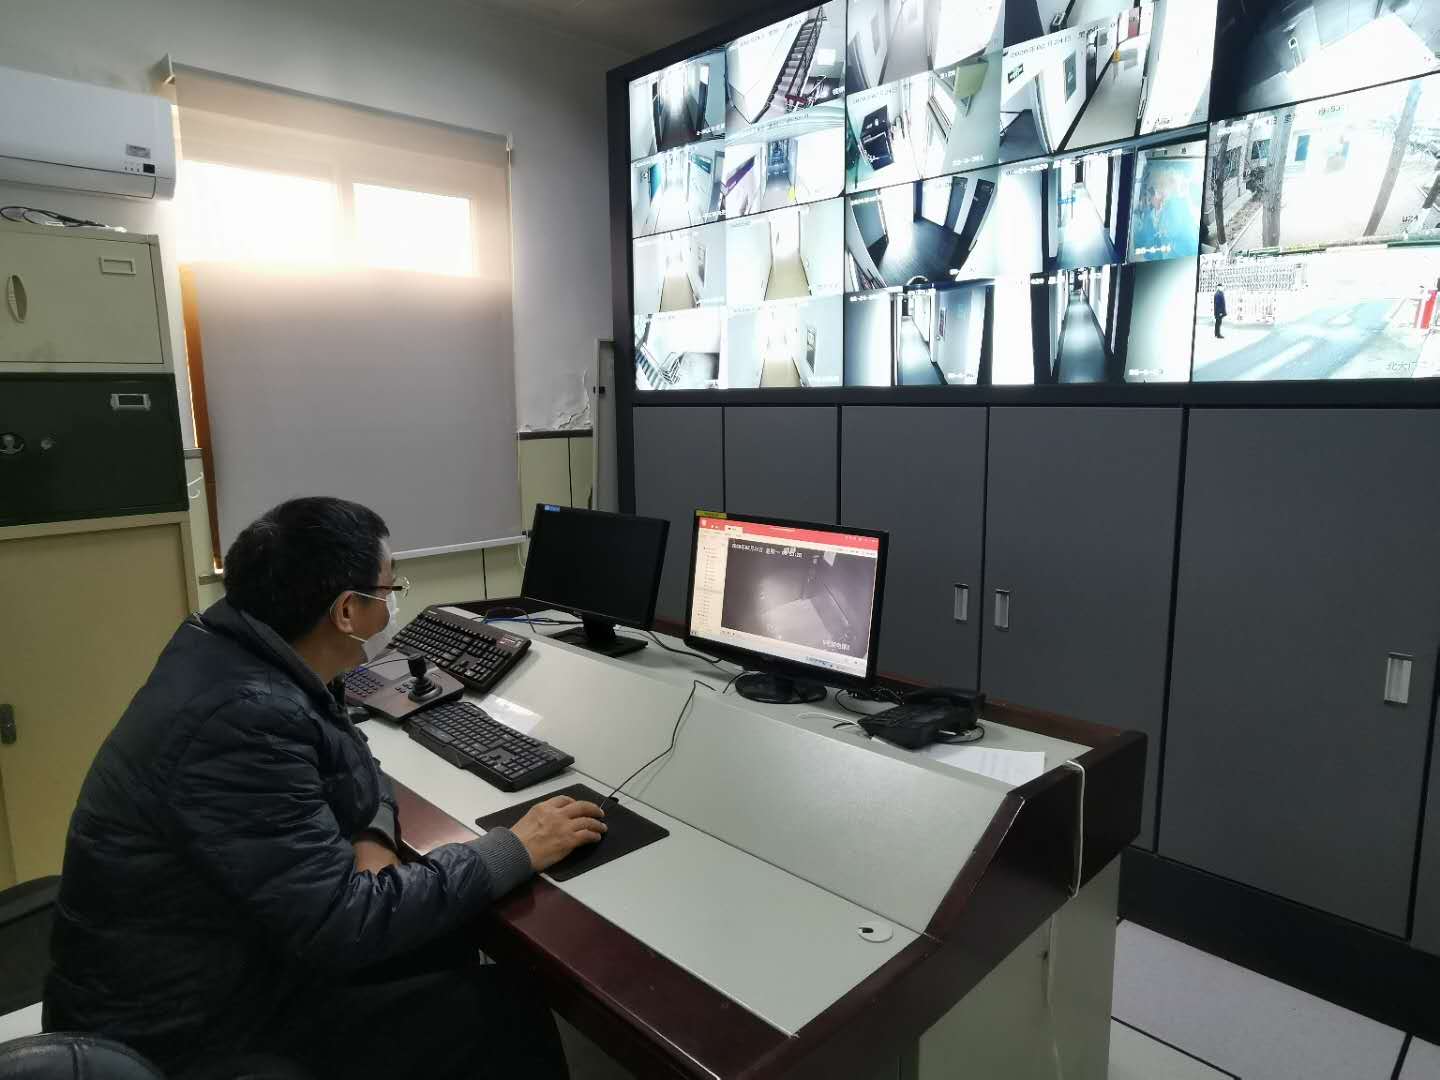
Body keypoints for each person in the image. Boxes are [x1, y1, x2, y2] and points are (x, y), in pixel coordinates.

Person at [44, 496, 606, 1079]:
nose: (392, 605)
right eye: (388, 590)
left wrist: (373, 835)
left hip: (226, 962)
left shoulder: (245, 653)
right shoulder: (242, 717)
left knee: (443, 938)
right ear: (346, 611)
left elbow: (356, 760)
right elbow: (346, 925)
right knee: (506, 1009)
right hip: (183, 1035)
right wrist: (514, 847)